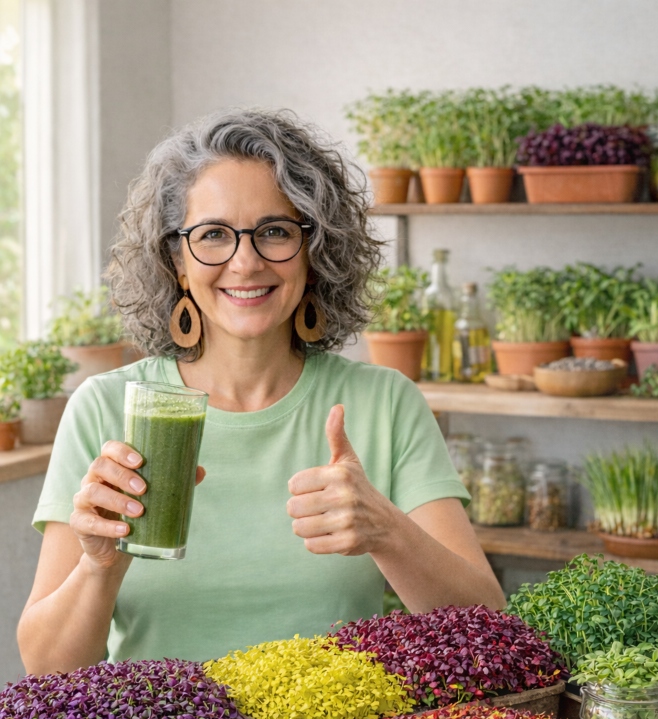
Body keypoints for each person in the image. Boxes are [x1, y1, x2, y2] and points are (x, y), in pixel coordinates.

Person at [18, 109, 504, 675]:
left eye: (275, 231)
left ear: (313, 252)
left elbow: (489, 632)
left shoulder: (386, 403)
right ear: (177, 261)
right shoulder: (108, 407)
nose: (245, 263)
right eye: (214, 235)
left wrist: (387, 531)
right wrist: (99, 566)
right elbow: (47, 671)